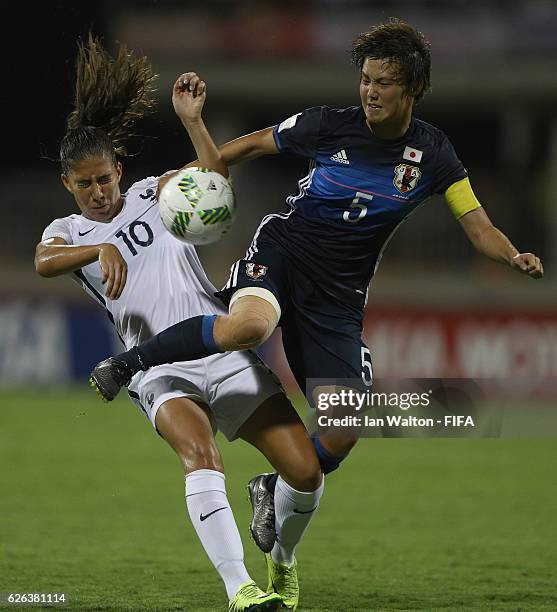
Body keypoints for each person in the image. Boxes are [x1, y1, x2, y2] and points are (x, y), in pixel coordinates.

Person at [91, 18, 543, 544]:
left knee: (343, 430)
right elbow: (240, 154)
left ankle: (271, 489)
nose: (370, 92)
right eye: (366, 79)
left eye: (384, 83)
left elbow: (478, 225)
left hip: (338, 298)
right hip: (283, 254)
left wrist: (512, 256)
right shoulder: (327, 124)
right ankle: (128, 362)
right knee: (248, 328)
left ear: (414, 88)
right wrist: (192, 144)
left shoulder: (434, 155)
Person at [35, 34, 323, 612]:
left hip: (219, 345)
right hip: (155, 366)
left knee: (306, 473)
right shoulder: (67, 231)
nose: (97, 192)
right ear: (68, 184)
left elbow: (212, 175)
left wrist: (193, 121)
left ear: (120, 169)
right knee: (200, 455)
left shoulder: (152, 193)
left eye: (104, 179)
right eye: (84, 183)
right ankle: (240, 589)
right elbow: (43, 263)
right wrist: (99, 250)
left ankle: (281, 561)